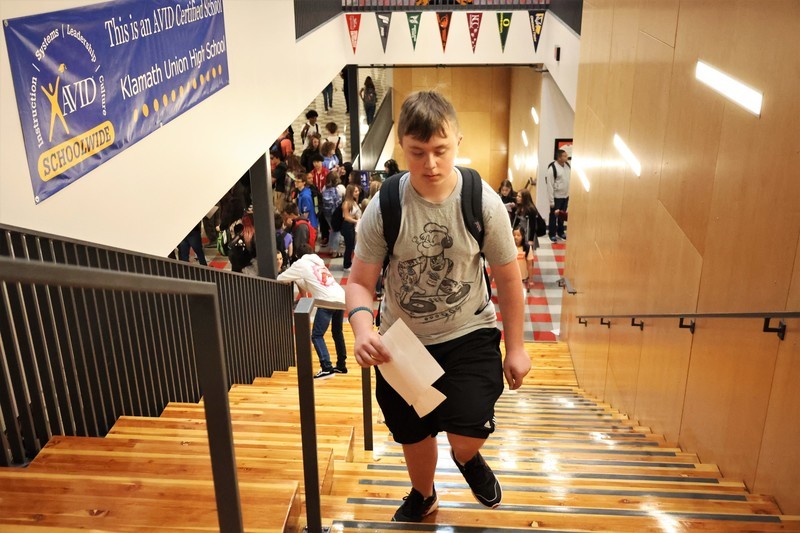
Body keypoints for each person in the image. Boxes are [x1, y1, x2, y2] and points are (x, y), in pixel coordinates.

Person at [344, 91, 530, 523]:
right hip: (402, 343)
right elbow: (359, 282)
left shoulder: (482, 203)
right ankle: (424, 495)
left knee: (465, 434)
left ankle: (467, 459)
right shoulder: (386, 206)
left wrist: (517, 347)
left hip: (469, 333)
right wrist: (362, 329)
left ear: (458, 142)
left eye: (440, 150)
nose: (430, 163)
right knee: (414, 433)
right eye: (418, 152)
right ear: (402, 147)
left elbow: (508, 280)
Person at [277, 243, 347, 379]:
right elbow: (312, 284)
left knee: (316, 335)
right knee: (337, 332)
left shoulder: (300, 263)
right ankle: (341, 365)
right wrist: (298, 279)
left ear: (297, 255)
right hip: (341, 297)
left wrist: (290, 276)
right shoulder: (319, 262)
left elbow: (281, 278)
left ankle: (327, 367)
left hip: (327, 301)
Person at [545, 149, 570, 242]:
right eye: (564, 156)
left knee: (562, 215)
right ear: (559, 158)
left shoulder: (567, 166)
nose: (567, 157)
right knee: (553, 216)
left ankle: (561, 232)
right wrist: (551, 201)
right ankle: (552, 234)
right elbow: (550, 185)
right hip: (556, 197)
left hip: (565, 196)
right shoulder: (552, 168)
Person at [340, 183, 361, 272]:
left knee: (352, 245)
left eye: (358, 191)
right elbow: (346, 217)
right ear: (350, 192)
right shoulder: (346, 203)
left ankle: (350, 263)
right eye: (355, 191)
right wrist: (357, 221)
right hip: (347, 226)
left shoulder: (354, 202)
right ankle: (346, 265)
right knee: (349, 246)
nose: (358, 192)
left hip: (352, 225)